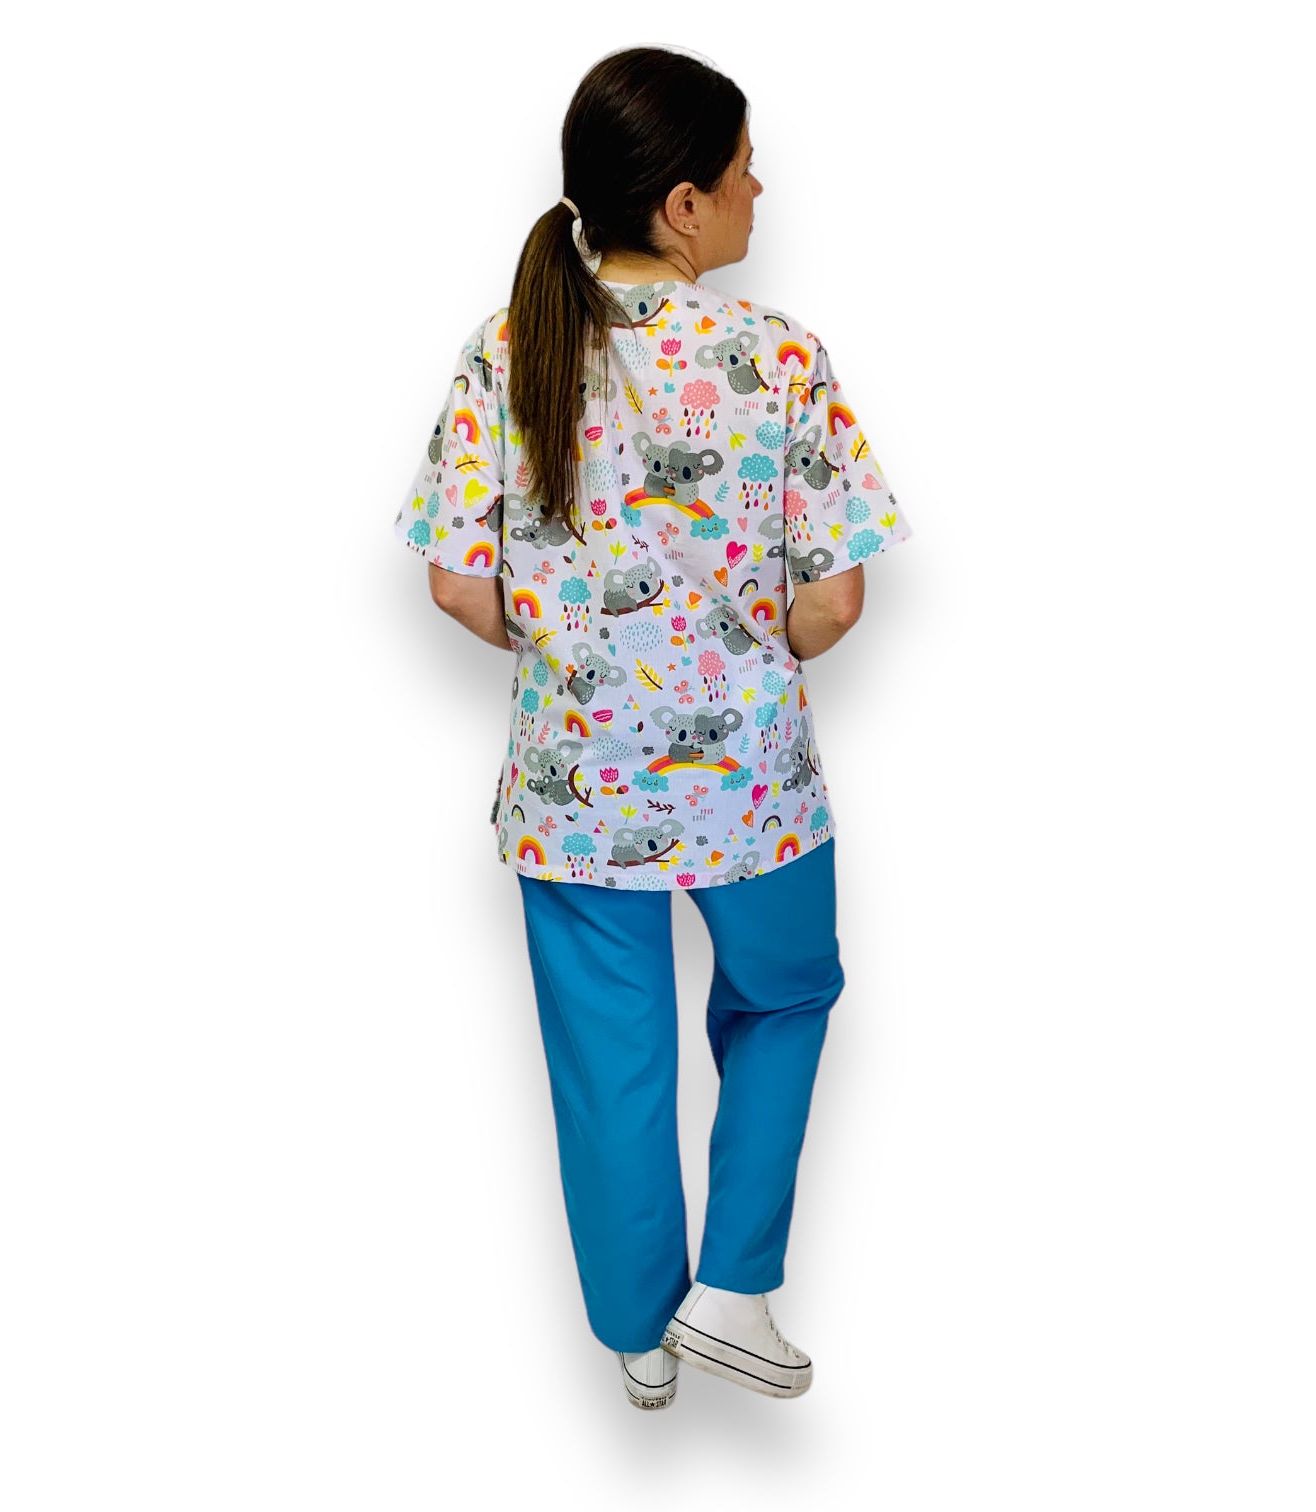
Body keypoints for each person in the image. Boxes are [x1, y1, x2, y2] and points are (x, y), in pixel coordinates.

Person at [393, 45, 913, 1410]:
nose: (760, 190)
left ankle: (639, 1332)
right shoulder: (778, 356)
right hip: (755, 790)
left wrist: (575, 653)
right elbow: (835, 602)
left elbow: (457, 586)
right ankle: (733, 1291)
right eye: (744, 170)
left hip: (574, 793)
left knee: (609, 1058)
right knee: (785, 998)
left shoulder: (508, 347)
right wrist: (751, 647)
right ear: (684, 205)